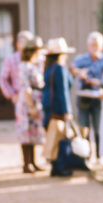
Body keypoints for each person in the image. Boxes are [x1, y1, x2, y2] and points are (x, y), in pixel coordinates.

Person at [42, 37, 75, 178]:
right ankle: (60, 166)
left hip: (49, 108)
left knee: (53, 136)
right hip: (58, 108)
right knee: (60, 137)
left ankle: (55, 166)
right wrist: (67, 110)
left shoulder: (48, 68)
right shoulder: (60, 69)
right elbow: (63, 91)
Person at [72, 32, 103, 159]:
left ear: (102, 46)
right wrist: (80, 73)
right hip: (83, 97)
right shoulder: (80, 59)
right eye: (92, 44)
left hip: (99, 98)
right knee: (84, 126)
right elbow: (73, 70)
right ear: (88, 45)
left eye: (97, 45)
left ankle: (99, 155)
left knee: (98, 128)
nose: (95, 47)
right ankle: (86, 155)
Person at [14, 36, 45, 173]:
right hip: (27, 104)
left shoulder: (33, 65)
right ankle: (26, 164)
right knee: (26, 132)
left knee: (32, 133)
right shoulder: (24, 66)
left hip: (34, 101)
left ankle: (32, 161)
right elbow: (26, 88)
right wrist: (31, 106)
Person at [0, 30, 34, 105]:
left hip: (35, 98)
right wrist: (12, 95)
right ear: (18, 44)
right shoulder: (11, 60)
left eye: (28, 42)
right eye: (23, 42)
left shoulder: (38, 58)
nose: (26, 45)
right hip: (20, 98)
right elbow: (3, 79)